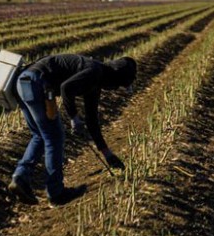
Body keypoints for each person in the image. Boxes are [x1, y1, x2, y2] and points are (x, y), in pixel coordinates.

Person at [8, 54, 137, 206]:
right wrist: (74, 118)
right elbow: (65, 88)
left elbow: (92, 121)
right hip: (37, 83)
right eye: (118, 84)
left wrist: (107, 154)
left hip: (23, 83)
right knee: (54, 137)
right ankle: (56, 193)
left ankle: (20, 178)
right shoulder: (94, 71)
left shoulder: (95, 82)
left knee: (39, 135)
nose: (115, 88)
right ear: (116, 75)